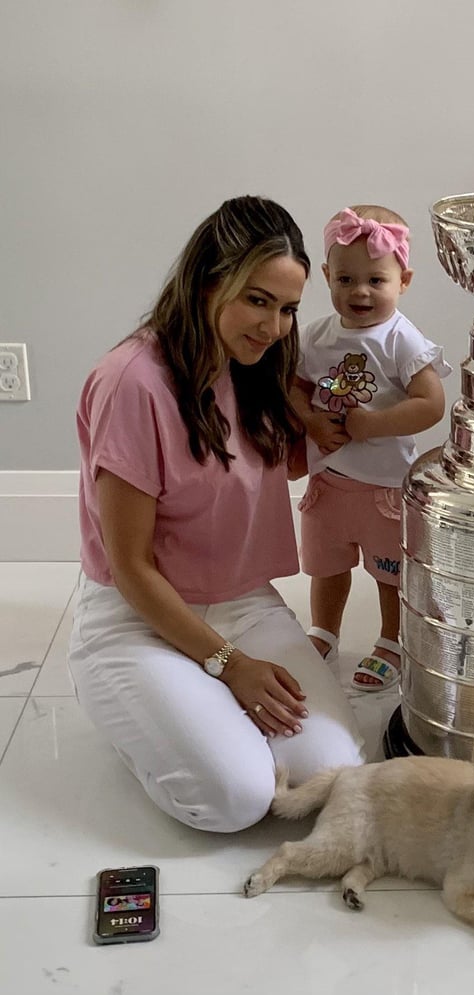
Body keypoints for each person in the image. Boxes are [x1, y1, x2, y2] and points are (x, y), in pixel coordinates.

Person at [69, 196, 366, 833]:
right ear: (208, 282)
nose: (274, 326)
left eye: (287, 309)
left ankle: (191, 712)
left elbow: (255, 466)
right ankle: (121, 696)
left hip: (241, 601)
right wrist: (229, 667)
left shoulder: (252, 367)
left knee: (330, 777)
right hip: (138, 615)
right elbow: (129, 565)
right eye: (257, 300)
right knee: (234, 799)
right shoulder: (132, 383)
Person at [291, 205, 450, 692]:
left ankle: (392, 638)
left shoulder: (401, 340)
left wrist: (375, 424)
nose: (360, 291)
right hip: (329, 483)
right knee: (327, 566)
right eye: (346, 278)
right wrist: (312, 421)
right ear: (326, 277)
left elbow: (432, 404)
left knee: (389, 571)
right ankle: (324, 630)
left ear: (403, 280)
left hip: (382, 488)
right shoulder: (315, 336)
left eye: (376, 280)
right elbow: (289, 386)